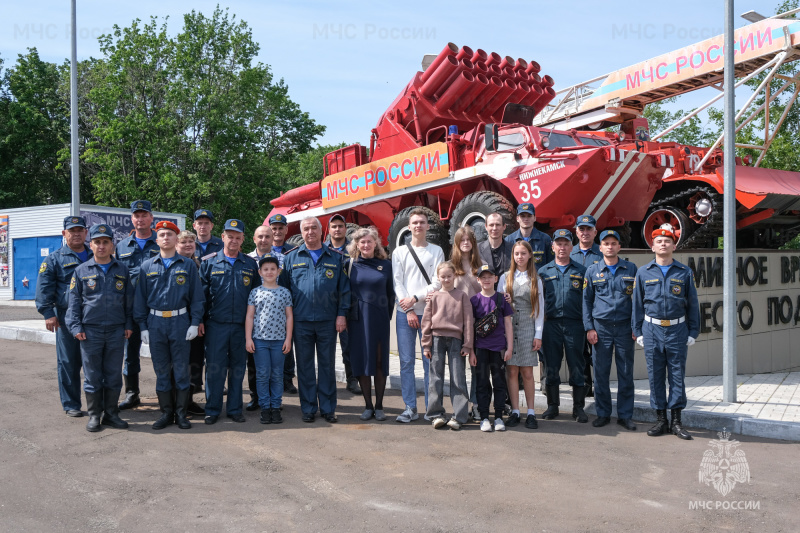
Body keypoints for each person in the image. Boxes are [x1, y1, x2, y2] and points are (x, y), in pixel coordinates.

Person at [279, 216, 350, 423]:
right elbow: (284, 290)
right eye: (306, 229)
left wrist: (341, 314)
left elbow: (343, 290)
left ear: (322, 231)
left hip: (328, 320)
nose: (310, 232)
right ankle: (308, 408)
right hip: (301, 321)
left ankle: (328, 408)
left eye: (313, 228)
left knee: (327, 365)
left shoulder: (336, 257)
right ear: (301, 233)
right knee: (305, 365)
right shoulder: (291, 257)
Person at [135, 221, 204, 430]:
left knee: (182, 370)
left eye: (170, 235)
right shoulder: (147, 267)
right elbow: (140, 299)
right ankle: (166, 413)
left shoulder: (188, 265)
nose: (166, 238)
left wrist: (194, 323)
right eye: (162, 234)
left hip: (180, 322)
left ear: (176, 239)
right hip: (156, 323)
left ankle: (181, 414)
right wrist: (143, 327)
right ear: (156, 240)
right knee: (162, 370)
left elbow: (197, 298)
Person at [633, 227, 700, 440]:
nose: (663, 244)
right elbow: (636, 305)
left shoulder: (684, 272)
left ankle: (677, 422)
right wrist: (638, 331)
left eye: (667, 241)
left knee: (677, 376)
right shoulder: (643, 272)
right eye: (659, 241)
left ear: (674, 246)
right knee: (655, 376)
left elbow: (693, 305)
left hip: (677, 330)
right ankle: (661, 420)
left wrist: (693, 331)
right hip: (651, 330)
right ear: (652, 246)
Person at [65, 224, 133, 432]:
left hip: (116, 330)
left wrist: (129, 324)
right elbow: (74, 302)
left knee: (113, 375)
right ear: (91, 245)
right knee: (93, 376)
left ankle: (111, 414)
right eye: (97, 242)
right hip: (90, 331)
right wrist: (75, 326)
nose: (101, 246)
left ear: (113, 245)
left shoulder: (122, 270)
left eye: (106, 242)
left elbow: (129, 301)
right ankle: (95, 415)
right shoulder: (81, 270)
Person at [199, 219, 259, 425]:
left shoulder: (250, 265)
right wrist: (199, 320)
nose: (233, 240)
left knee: (237, 368)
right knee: (215, 369)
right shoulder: (208, 262)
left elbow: (256, 297)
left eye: (237, 237)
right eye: (229, 236)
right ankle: (212, 409)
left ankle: (234, 409)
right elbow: (201, 297)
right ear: (222, 237)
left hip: (241, 327)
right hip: (216, 324)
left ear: (242, 239)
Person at [35, 216, 92, 417]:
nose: (76, 234)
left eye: (80, 230)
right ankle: (71, 404)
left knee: (95, 362)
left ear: (86, 233)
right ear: (64, 233)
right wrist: (48, 313)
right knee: (68, 362)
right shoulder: (54, 259)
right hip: (67, 317)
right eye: (72, 230)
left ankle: (98, 405)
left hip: (94, 318)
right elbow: (44, 288)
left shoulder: (97, 254)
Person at [391, 209, 444, 423]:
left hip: (430, 313)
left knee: (429, 362)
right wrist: (409, 309)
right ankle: (409, 407)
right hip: (406, 315)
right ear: (409, 226)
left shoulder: (437, 251)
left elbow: (437, 282)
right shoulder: (399, 252)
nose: (418, 226)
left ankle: (431, 409)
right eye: (414, 222)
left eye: (422, 222)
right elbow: (397, 282)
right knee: (406, 362)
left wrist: (415, 298)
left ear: (428, 226)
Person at [583, 229, 638, 431]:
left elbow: (638, 301)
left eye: (614, 243)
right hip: (601, 328)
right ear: (601, 247)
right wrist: (589, 327)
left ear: (619, 247)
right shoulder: (592, 271)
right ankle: (603, 413)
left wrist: (635, 327)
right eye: (606, 243)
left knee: (625, 372)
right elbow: (586, 301)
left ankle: (625, 415)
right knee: (601, 373)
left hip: (624, 328)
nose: (610, 246)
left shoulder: (631, 269)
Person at [538, 229, 588, 423]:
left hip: (575, 324)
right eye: (559, 243)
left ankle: (578, 408)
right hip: (551, 325)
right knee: (551, 366)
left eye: (566, 243)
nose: (562, 247)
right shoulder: (543, 272)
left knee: (577, 365)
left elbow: (587, 300)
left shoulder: (581, 271)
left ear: (572, 247)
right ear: (553, 247)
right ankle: (552, 406)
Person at [345, 227, 394, 421]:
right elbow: (344, 293)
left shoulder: (386, 265)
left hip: (380, 319)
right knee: (362, 361)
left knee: (380, 362)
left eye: (369, 241)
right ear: (357, 244)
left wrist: (386, 315)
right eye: (362, 242)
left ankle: (380, 406)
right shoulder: (349, 264)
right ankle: (367, 406)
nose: (366, 245)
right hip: (357, 320)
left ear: (376, 244)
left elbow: (391, 293)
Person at [115, 200, 160, 410]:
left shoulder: (160, 242)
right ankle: (132, 394)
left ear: (152, 218)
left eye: (144, 215)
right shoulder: (122, 246)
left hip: (157, 307)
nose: (140, 219)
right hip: (131, 309)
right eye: (136, 216)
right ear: (132, 219)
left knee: (163, 353)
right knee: (130, 354)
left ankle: (167, 394)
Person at [421, 262, 474, 431]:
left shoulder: (462, 296)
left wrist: (468, 344)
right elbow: (427, 321)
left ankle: (459, 416)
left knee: (458, 378)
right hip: (436, 339)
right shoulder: (434, 296)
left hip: (456, 341)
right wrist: (426, 345)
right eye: (442, 276)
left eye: (449, 276)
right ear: (438, 278)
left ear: (454, 277)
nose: (446, 279)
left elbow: (468, 321)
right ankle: (436, 414)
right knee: (435, 377)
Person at [497, 241, 544, 430]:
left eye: (523, 253)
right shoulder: (505, 277)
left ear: (530, 255)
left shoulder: (535, 279)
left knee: (527, 372)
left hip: (527, 327)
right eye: (516, 254)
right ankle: (515, 411)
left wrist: (538, 334)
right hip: (509, 328)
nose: (520, 257)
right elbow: (498, 305)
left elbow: (539, 309)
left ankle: (531, 412)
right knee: (512, 371)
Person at [245, 256, 293, 425]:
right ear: (260, 272)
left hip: (279, 341)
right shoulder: (255, 292)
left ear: (279, 271)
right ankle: (265, 407)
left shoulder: (285, 292)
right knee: (263, 375)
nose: (269, 272)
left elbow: (289, 317)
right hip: (259, 341)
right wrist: (248, 339)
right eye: (265, 269)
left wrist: (288, 339)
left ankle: (275, 406)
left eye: (273, 269)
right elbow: (250, 316)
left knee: (277, 375)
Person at [471, 265, 514, 432]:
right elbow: (470, 327)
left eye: (490, 277)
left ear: (496, 279)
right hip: (480, 349)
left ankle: (498, 416)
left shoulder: (502, 299)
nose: (486, 280)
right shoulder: (474, 300)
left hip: (498, 349)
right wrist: (471, 351)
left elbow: (508, 324)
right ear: (478, 280)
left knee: (499, 383)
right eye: (483, 277)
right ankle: (483, 417)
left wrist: (509, 347)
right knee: (482, 383)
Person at [325, 214, 360, 395]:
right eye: (334, 226)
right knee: (326, 346)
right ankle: (327, 381)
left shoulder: (354, 249)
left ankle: (352, 379)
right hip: (327, 304)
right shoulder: (322, 250)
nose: (337, 229)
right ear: (328, 229)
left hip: (349, 304)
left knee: (349, 345)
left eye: (340, 226)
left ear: (346, 228)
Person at [452, 225, 485, 422]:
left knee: (477, 368)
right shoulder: (449, 267)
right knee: (458, 370)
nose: (465, 243)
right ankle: (460, 408)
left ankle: (477, 405)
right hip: (456, 325)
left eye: (469, 239)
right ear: (456, 243)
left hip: (479, 324)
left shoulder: (482, 266)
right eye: (461, 239)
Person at [570, 214, 603, 398]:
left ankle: (600, 390)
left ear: (595, 232)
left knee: (598, 354)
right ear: (576, 231)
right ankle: (585, 388)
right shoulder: (570, 252)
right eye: (581, 229)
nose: (585, 232)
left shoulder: (602, 253)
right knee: (579, 353)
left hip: (597, 312)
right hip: (575, 311)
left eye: (588, 229)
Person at [245, 224, 275, 411]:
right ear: (254, 239)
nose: (264, 240)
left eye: (267, 236)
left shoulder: (283, 260)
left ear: (273, 239)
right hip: (253, 319)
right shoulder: (247, 260)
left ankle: (274, 397)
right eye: (260, 237)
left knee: (275, 364)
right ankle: (255, 396)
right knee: (253, 362)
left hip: (276, 322)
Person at [176, 230, 206, 416]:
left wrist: (199, 320)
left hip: (195, 320)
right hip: (176, 320)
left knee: (194, 360)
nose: (188, 244)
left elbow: (200, 296)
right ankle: (177, 402)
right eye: (184, 241)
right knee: (178, 363)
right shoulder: (172, 264)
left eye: (191, 241)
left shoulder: (199, 264)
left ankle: (189, 399)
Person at [268, 213, 298, 394]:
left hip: (288, 303)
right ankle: (269, 380)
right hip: (267, 305)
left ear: (286, 230)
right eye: (274, 228)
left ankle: (288, 379)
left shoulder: (294, 251)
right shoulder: (264, 250)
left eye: (281, 228)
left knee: (288, 343)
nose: (277, 231)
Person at [478, 213, 513, 285]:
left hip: (507, 294)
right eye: (491, 225)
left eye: (498, 225)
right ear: (486, 227)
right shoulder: (476, 249)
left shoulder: (513, 250)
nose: (494, 228)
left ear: (504, 226)